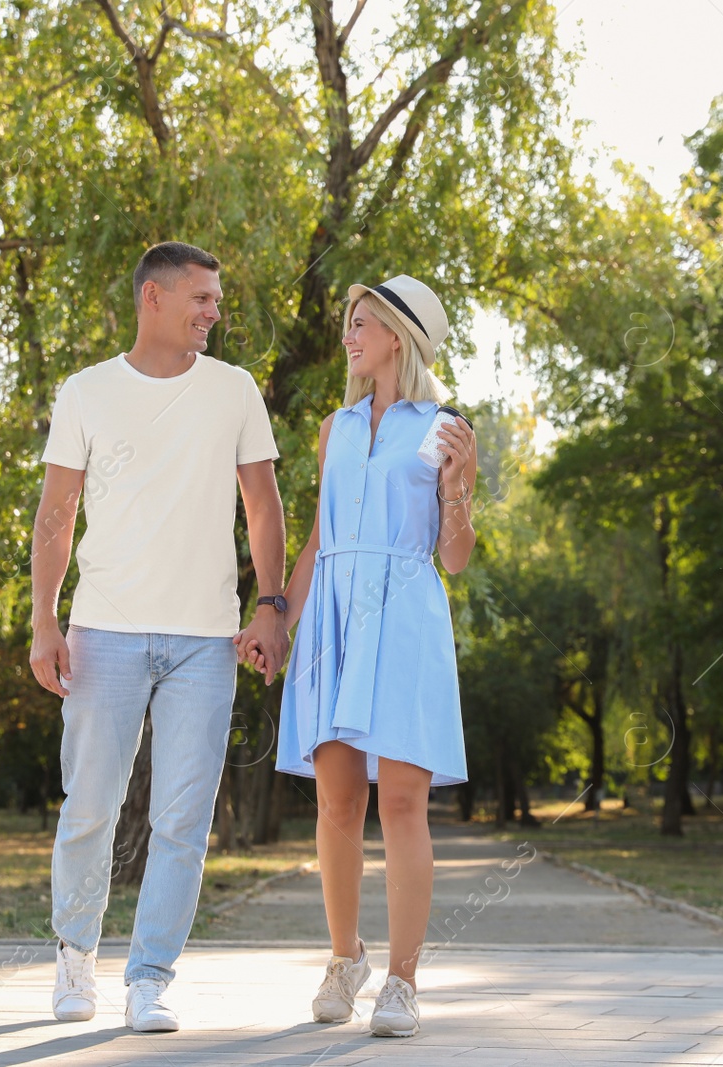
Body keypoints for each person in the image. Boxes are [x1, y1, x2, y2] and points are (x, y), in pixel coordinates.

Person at [29, 241, 289, 1032]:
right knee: (91, 809)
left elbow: (265, 507)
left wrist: (270, 604)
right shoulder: (87, 391)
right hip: (103, 631)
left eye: (216, 299)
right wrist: (44, 618)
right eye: (202, 299)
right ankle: (76, 959)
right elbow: (56, 513)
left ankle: (150, 978)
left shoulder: (236, 390)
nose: (214, 312)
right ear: (154, 298)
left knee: (182, 819)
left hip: (205, 642)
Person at [238, 274, 476, 1038]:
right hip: (334, 614)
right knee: (337, 802)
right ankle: (346, 957)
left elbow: (457, 557)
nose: (348, 332)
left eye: (362, 321)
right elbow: (316, 539)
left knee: (403, 803)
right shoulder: (334, 426)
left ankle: (404, 981)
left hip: (404, 614)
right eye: (347, 319)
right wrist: (275, 613)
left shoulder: (444, 426)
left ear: (398, 336)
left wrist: (462, 490)